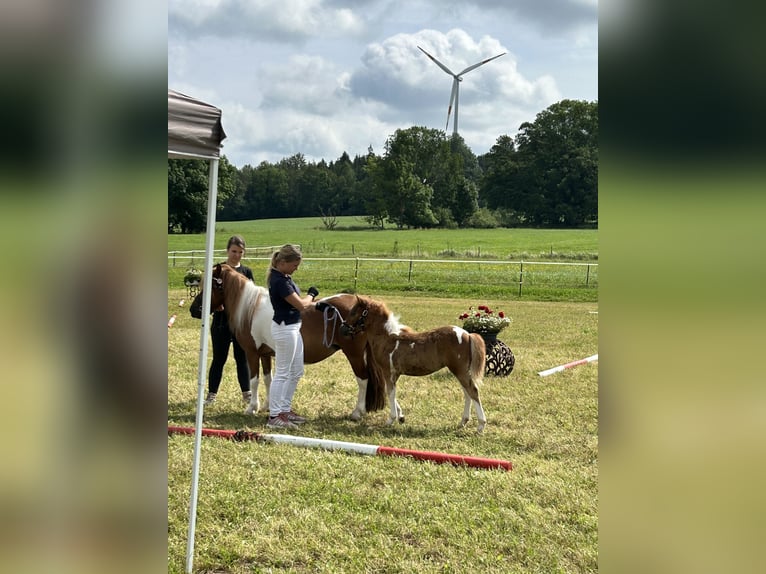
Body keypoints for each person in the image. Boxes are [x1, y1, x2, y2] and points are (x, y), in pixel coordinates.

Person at [265, 244, 319, 429]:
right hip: (285, 328)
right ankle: (274, 415)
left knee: (296, 371)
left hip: (294, 327)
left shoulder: (285, 277)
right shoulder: (279, 281)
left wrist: (314, 303)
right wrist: (312, 295)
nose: (296, 268)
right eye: (294, 265)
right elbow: (302, 305)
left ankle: (285, 409)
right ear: (282, 262)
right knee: (282, 372)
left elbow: (301, 304)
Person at [204, 235, 255, 406]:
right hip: (221, 322)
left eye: (240, 252)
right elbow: (209, 294)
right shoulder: (218, 269)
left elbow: (251, 296)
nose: (237, 255)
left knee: (242, 358)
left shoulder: (246, 272)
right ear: (227, 251)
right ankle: (211, 395)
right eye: (234, 251)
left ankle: (247, 394)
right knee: (219, 358)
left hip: (240, 325)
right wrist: (216, 305)